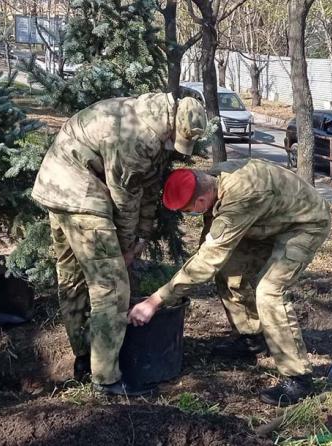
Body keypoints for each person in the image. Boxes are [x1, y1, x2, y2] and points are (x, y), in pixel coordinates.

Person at [31, 92, 207, 396]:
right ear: (173, 126)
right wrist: (125, 250)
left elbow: (149, 189)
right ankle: (107, 380)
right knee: (111, 288)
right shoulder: (138, 136)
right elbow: (124, 199)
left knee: (72, 278)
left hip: (53, 185)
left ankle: (85, 358)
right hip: (79, 192)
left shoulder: (153, 119)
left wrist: (141, 237)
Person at [128, 159, 331, 406]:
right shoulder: (213, 183)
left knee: (269, 292)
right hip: (263, 221)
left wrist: (156, 300)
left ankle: (298, 379)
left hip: (303, 223)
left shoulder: (241, 195)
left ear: (201, 202)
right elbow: (210, 244)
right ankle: (252, 339)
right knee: (228, 272)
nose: (191, 214)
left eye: (189, 210)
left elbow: (210, 258)